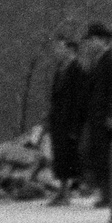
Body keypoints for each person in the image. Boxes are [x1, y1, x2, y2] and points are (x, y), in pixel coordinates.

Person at [77, 22, 112, 207]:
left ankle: (109, 195)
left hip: (103, 116)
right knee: (96, 154)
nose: (90, 44)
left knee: (103, 156)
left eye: (92, 40)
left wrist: (111, 114)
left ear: (101, 40)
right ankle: (104, 192)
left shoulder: (110, 59)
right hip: (95, 115)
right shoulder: (98, 59)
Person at [44, 36, 84, 205]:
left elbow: (78, 98)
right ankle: (61, 190)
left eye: (60, 48)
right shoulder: (60, 69)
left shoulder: (76, 69)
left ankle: (66, 191)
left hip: (69, 120)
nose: (56, 52)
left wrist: (76, 123)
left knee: (68, 155)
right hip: (58, 119)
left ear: (69, 50)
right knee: (59, 155)